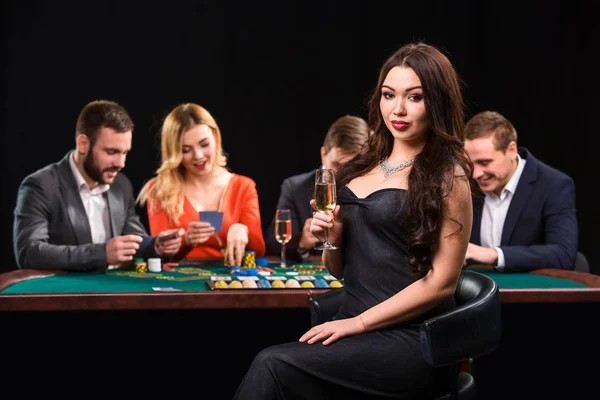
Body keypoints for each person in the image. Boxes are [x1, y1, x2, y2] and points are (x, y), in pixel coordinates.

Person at [234, 42, 474, 399]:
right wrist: (332, 236)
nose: (398, 109)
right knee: (276, 368)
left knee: (273, 364)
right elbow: (340, 270)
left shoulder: (448, 177)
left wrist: (356, 324)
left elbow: (441, 283)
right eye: (389, 95)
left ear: (436, 102)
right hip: (352, 327)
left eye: (415, 97)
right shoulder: (358, 169)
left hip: (413, 341)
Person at [13, 100, 183, 272]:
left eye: (125, 153)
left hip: (113, 290)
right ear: (83, 144)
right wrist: (102, 253)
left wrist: (155, 245)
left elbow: (135, 241)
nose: (121, 163)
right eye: (111, 152)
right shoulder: (40, 186)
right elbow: (29, 253)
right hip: (64, 294)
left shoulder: (121, 185)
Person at [137, 103, 265, 266]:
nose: (198, 155)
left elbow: (259, 250)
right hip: (180, 284)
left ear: (216, 138)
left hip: (229, 280)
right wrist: (186, 240)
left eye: (204, 144)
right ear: (174, 152)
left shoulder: (244, 186)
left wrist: (243, 229)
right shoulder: (159, 189)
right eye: (185, 150)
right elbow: (160, 254)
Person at [463, 110, 578, 271]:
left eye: (485, 162)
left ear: (511, 150)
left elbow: (563, 255)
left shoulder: (554, 185)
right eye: (471, 163)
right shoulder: (464, 183)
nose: (475, 174)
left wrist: (494, 255)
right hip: (474, 291)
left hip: (530, 292)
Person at [264, 115, 370, 261]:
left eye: (352, 166)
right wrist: (302, 241)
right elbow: (273, 245)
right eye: (336, 165)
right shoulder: (294, 188)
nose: (344, 174)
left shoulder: (374, 189)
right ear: (322, 154)